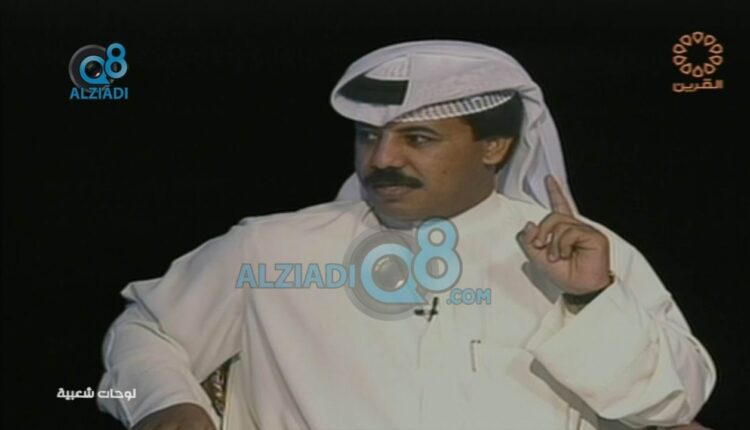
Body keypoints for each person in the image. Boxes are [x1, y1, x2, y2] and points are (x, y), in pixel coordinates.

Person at [97, 40, 715, 430]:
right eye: (369, 136)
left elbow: (674, 405)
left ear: (494, 147)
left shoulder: (583, 251)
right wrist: (162, 403)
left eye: (417, 139)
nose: (381, 159)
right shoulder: (271, 248)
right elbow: (145, 330)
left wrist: (590, 298)